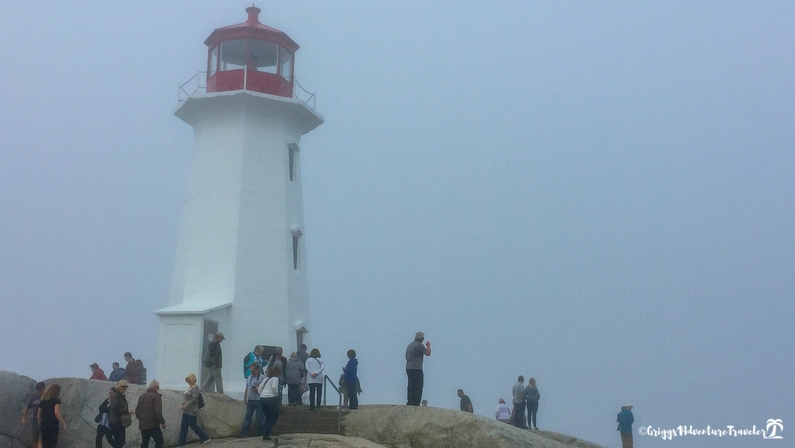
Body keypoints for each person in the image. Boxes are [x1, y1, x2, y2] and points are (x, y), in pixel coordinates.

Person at [178, 373, 210, 446]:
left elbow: (195, 399)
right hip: (186, 410)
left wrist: (186, 405)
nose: (188, 382)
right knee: (183, 426)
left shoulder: (195, 388)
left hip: (192, 410)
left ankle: (204, 437)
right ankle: (181, 443)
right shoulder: (190, 388)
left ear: (192, 379)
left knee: (193, 425)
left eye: (189, 380)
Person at [136, 380, 166, 448]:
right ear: (155, 387)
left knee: (145, 443)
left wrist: (141, 419)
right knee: (160, 441)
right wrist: (162, 422)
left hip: (143, 424)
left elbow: (137, 411)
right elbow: (157, 411)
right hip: (153, 424)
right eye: (158, 387)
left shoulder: (142, 396)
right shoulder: (156, 396)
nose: (158, 389)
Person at [405, 331, 431, 406]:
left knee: (411, 385)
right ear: (421, 338)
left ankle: (410, 401)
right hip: (416, 368)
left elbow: (406, 357)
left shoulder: (410, 345)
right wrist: (428, 346)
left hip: (409, 367)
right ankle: (416, 402)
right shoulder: (419, 345)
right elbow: (428, 353)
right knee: (418, 385)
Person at [240, 363, 265, 437]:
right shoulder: (249, 377)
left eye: (253, 371)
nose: (252, 372)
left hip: (259, 400)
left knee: (259, 417)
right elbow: (247, 388)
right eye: (251, 371)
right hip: (250, 399)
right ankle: (244, 432)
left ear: (258, 370)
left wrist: (258, 389)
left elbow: (265, 389)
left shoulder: (263, 378)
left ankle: (261, 432)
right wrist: (245, 398)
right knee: (247, 416)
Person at [37, 384, 66, 448]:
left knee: (45, 443)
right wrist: (63, 422)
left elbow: (38, 415)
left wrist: (41, 423)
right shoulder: (56, 400)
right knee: (52, 443)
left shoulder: (43, 401)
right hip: (53, 425)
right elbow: (56, 413)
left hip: (44, 425)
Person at [257, 365, 282, 441]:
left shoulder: (266, 379)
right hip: (270, 399)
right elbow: (274, 387)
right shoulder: (275, 379)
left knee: (267, 417)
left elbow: (259, 388)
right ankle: (266, 433)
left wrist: (262, 394)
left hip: (262, 399)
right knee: (274, 416)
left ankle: (265, 433)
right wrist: (276, 394)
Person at [109, 380, 134, 448]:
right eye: (123, 386)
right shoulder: (117, 397)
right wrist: (126, 411)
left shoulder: (121, 397)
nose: (125, 388)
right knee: (120, 442)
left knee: (120, 442)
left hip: (119, 422)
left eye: (126, 386)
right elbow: (115, 409)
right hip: (116, 422)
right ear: (119, 387)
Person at [21, 381, 45, 448]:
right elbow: (27, 407)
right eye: (38, 390)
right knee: (34, 440)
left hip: (44, 422)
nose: (39, 392)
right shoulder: (35, 397)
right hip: (35, 422)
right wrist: (24, 417)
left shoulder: (47, 398)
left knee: (41, 440)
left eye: (41, 390)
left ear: (44, 389)